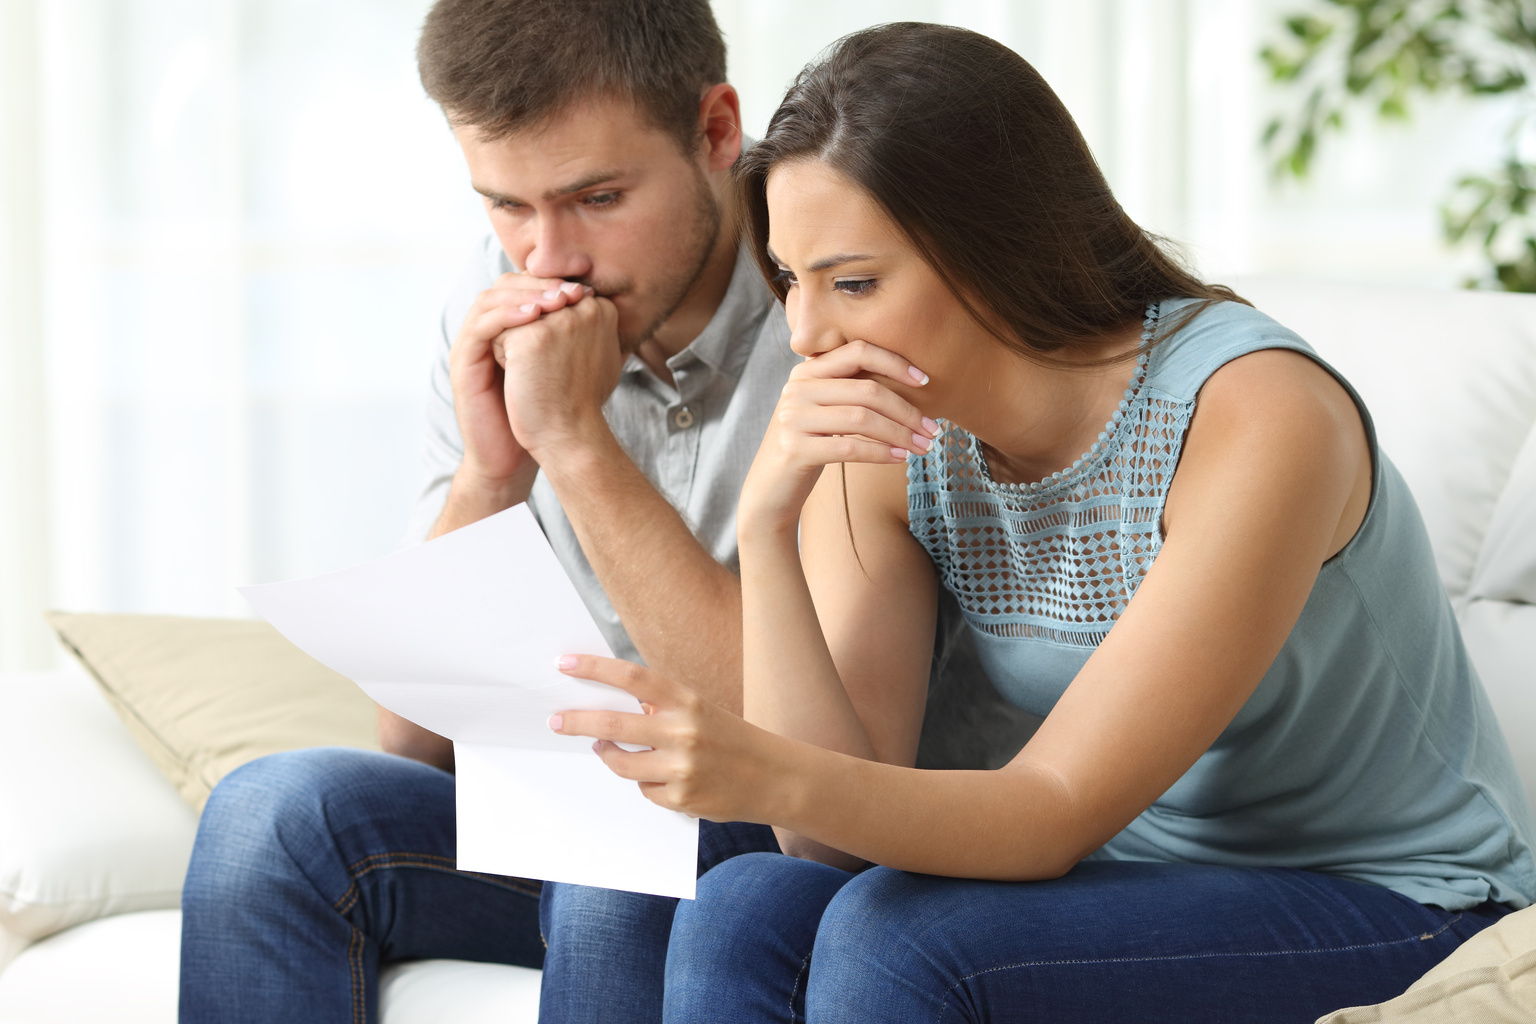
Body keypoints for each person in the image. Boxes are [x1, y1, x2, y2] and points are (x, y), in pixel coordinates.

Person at [544, 22, 1536, 1023]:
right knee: (738, 894)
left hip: (1399, 898)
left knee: (896, 940)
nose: (807, 335)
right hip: (1132, 880)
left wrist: (763, 767)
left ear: (993, 247)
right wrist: (768, 527)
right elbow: (831, 835)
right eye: (791, 281)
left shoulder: (1256, 414)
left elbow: (1052, 810)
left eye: (853, 282)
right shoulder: (894, 432)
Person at [177, 5, 1029, 1023]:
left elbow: (797, 767)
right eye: (505, 205)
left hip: (819, 819)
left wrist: (575, 448)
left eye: (597, 196)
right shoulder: (501, 297)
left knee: (627, 858)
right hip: (590, 809)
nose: (550, 259)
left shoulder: (841, 290)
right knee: (271, 817)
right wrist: (492, 477)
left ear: (718, 132)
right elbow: (408, 744)